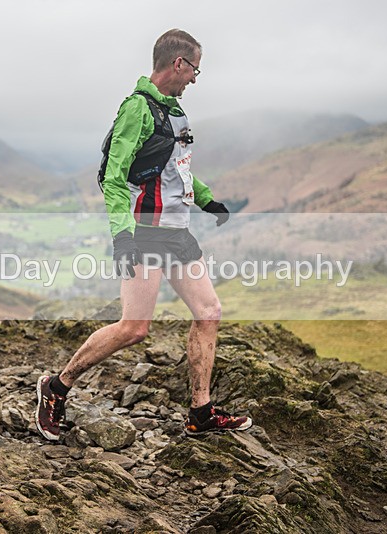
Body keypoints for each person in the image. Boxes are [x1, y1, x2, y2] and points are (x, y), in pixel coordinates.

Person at [35, 29, 251, 441]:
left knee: (209, 313)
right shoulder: (137, 109)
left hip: (177, 231)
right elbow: (115, 178)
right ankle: (56, 387)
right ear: (178, 64)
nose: (194, 79)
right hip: (145, 232)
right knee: (134, 328)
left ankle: (200, 411)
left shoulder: (176, 112)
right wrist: (123, 237)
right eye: (195, 71)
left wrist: (207, 200)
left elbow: (178, 168)